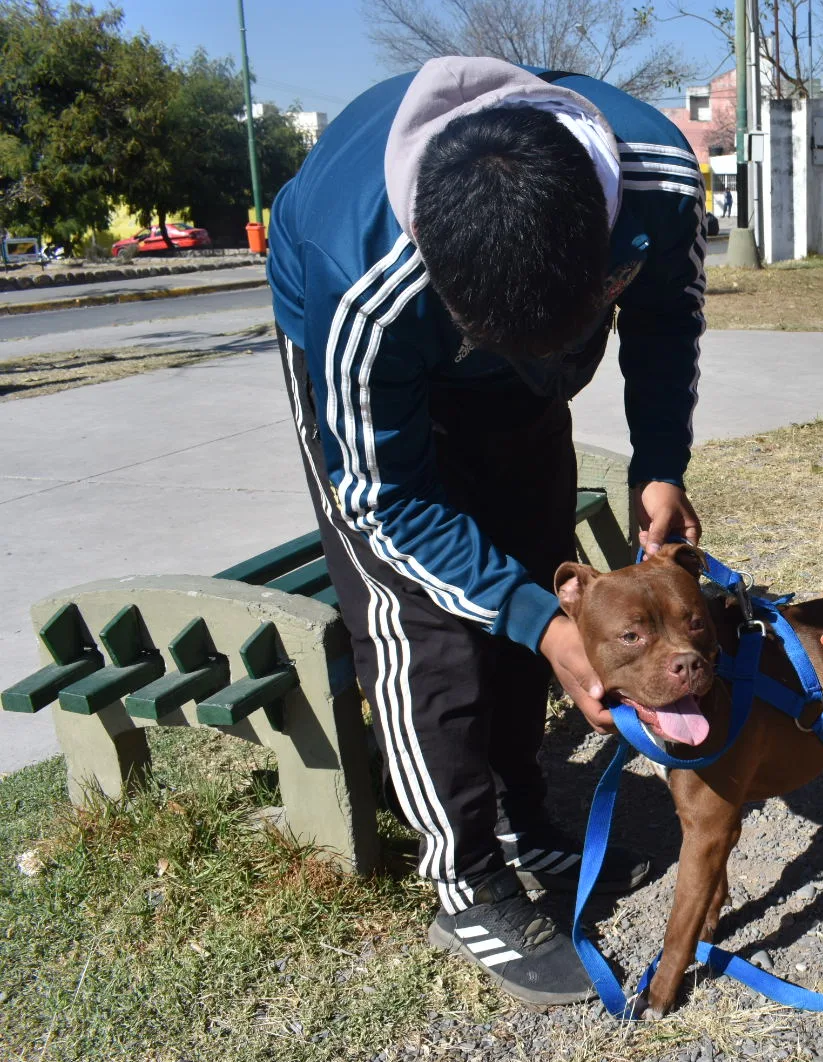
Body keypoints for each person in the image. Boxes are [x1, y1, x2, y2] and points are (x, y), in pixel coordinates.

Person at [267, 57, 707, 1006]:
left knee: (535, 550)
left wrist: (660, 459)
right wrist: (540, 627)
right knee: (424, 619)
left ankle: (519, 809)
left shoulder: (658, 179)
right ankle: (465, 875)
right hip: (383, 381)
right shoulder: (363, 286)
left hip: (515, 337)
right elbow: (388, 507)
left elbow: (667, 313)